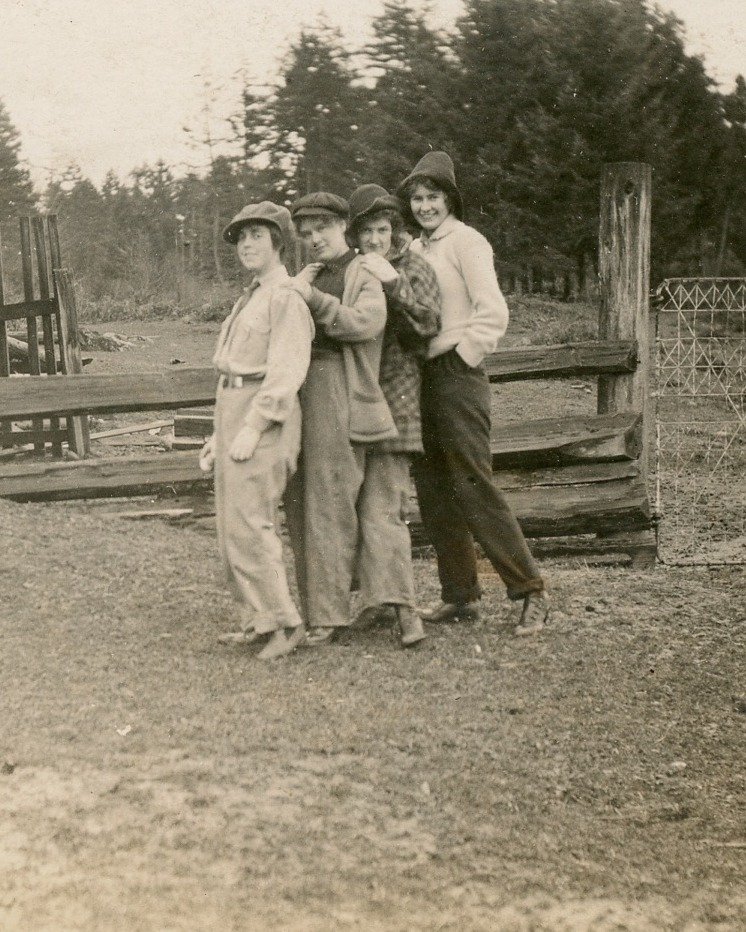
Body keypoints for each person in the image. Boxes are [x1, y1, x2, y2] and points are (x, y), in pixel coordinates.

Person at [397, 152, 550, 635]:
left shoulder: (468, 242)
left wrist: (462, 357)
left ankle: (530, 592)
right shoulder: (416, 250)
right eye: (417, 198)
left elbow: (493, 312)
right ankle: (460, 595)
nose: (424, 206)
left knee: (473, 485)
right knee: (435, 490)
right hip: (421, 378)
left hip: (457, 376)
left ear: (450, 199)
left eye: (433, 197)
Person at [199, 201, 314, 660]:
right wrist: (219, 434)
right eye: (241, 237)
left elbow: (286, 370)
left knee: (251, 522)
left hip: (264, 414)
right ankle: (257, 618)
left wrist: (255, 425)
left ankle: (287, 623)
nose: (247, 244)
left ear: (278, 242)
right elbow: (231, 370)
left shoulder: (285, 296)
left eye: (257, 236)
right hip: (233, 408)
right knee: (231, 524)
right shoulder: (251, 295)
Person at [283, 192, 396, 645]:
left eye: (322, 229)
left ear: (344, 226)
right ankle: (314, 609)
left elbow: (366, 324)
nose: (314, 239)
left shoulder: (362, 271)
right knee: (297, 496)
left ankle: (330, 616)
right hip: (298, 388)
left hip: (339, 389)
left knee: (328, 499)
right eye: (306, 233)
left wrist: (312, 300)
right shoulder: (308, 274)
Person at [346, 184, 441, 647]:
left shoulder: (414, 267)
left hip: (395, 398)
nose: (374, 239)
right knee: (356, 506)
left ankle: (406, 612)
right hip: (351, 397)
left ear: (395, 230)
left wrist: (390, 282)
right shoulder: (349, 270)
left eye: (382, 229)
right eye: (366, 231)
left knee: (385, 509)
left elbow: (428, 324)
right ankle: (374, 601)